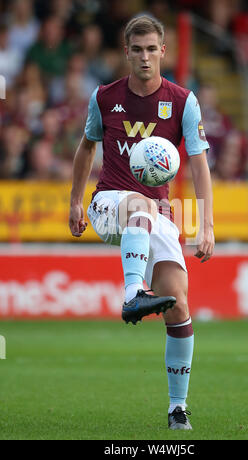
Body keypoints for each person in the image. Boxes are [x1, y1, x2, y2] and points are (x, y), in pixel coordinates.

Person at [69, 15, 214, 431]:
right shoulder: (104, 97)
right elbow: (85, 148)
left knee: (179, 306)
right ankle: (133, 291)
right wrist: (75, 202)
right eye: (137, 50)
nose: (145, 57)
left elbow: (200, 163)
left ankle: (177, 409)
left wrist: (206, 224)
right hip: (111, 202)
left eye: (152, 49)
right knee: (139, 205)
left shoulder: (183, 100)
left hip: (157, 214)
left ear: (163, 51)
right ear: (126, 52)